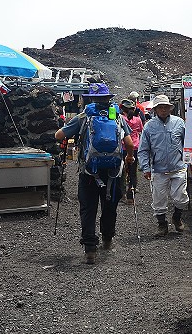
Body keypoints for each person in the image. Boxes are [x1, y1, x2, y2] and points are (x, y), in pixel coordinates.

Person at [54, 83, 134, 264]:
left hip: (89, 172)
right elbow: (129, 143)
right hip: (113, 173)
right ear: (108, 99)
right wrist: (129, 158)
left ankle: (90, 250)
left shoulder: (83, 116)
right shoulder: (118, 117)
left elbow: (59, 135)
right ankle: (107, 239)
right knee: (110, 206)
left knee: (88, 209)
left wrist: (71, 133)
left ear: (91, 99)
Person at [138, 95, 192, 237]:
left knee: (181, 197)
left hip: (179, 167)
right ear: (155, 110)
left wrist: (191, 161)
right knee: (159, 199)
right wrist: (145, 168)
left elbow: (188, 144)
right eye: (160, 107)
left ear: (170, 108)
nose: (163, 110)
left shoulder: (179, 123)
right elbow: (144, 149)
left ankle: (177, 217)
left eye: (165, 107)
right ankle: (162, 225)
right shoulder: (149, 126)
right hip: (158, 169)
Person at [120, 98, 144, 204]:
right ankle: (131, 196)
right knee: (133, 172)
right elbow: (140, 130)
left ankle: (122, 194)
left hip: (123, 146)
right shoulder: (137, 119)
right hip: (135, 147)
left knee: (122, 171)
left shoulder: (121, 119)